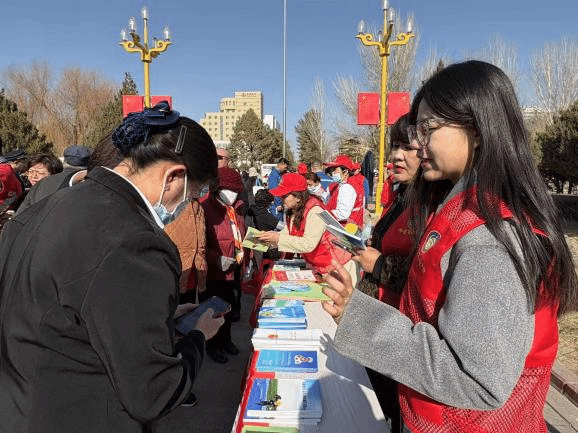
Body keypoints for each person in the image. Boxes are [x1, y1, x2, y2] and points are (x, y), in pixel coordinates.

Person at [322, 61, 578, 433]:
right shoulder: (462, 210)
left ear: (477, 129)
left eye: (428, 128)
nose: (417, 143)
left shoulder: (491, 238)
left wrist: (360, 318)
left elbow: (475, 377)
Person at [0, 102, 224, 433]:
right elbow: (153, 392)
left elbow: (63, 310)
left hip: (20, 409)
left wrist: (156, 317)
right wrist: (197, 337)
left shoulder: (43, 206)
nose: (187, 204)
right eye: (193, 194)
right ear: (174, 177)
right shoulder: (137, 242)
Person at [352, 114, 418, 432]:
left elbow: (423, 275)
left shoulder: (432, 206)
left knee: (390, 410)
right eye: (394, 146)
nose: (396, 156)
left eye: (407, 147)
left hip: (399, 329)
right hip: (376, 319)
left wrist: (379, 264)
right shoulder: (401, 198)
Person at [258, 173, 360, 285]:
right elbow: (290, 231)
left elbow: (308, 243)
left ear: (298, 197)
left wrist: (278, 239)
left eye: (285, 196)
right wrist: (269, 238)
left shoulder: (315, 211)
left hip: (339, 266)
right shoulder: (296, 210)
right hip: (323, 266)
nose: (281, 199)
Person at [201, 166, 247, 363]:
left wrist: (246, 258)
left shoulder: (236, 208)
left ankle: (226, 340)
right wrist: (216, 259)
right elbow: (199, 244)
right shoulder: (204, 209)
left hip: (233, 268)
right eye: (229, 189)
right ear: (217, 189)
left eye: (236, 190)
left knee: (228, 309)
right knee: (213, 311)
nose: (233, 194)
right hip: (214, 272)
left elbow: (240, 235)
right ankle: (213, 345)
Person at [17, 145, 92, 214]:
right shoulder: (27, 193)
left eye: (40, 173)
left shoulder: (52, 190)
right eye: (30, 172)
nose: (33, 176)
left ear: (53, 174)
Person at [324, 154, 364, 229]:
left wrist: (324, 215)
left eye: (336, 170)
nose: (333, 173)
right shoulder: (349, 184)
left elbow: (343, 214)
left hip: (344, 229)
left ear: (345, 172)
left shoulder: (347, 187)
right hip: (350, 228)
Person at [266, 157, 289, 221]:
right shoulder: (274, 175)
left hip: (280, 203)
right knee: (278, 223)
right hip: (276, 205)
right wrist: (278, 204)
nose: (286, 169)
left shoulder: (280, 174)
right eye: (285, 167)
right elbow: (274, 190)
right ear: (281, 164)